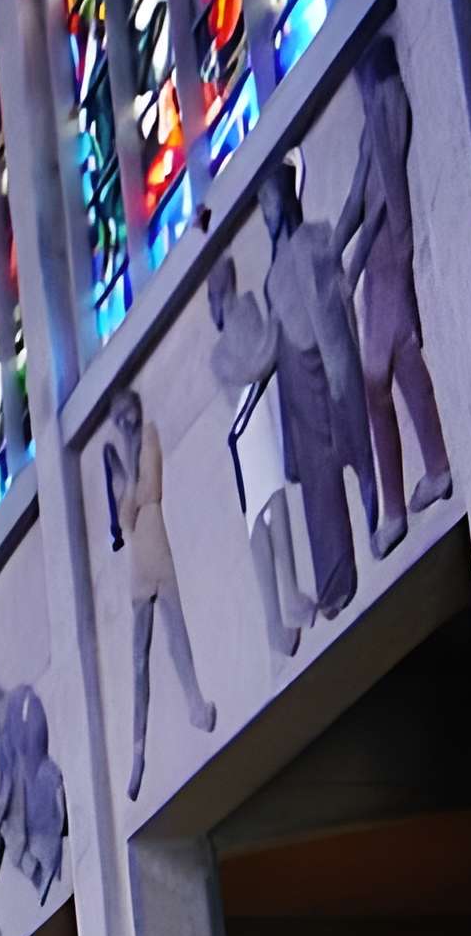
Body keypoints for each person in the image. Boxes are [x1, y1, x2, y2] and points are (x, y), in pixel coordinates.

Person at [338, 35, 452, 552]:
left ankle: (392, 510)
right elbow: (358, 195)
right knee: (405, 368)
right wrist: (336, 251)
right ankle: (436, 467)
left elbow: (384, 196)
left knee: (375, 385)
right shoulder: (372, 117)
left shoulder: (387, 101)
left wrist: (355, 263)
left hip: (386, 258)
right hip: (381, 259)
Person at [256, 162, 374, 620]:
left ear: (284, 201)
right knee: (317, 491)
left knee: (352, 452)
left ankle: (372, 513)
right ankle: (335, 579)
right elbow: (275, 345)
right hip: (297, 394)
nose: (267, 214)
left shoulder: (316, 239)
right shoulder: (271, 279)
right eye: (262, 207)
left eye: (269, 203)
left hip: (327, 373)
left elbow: (335, 304)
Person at [102, 388, 215, 799]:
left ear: (135, 410)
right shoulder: (120, 460)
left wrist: (132, 488)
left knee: (176, 633)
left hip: (157, 546)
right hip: (139, 565)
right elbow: (124, 517)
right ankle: (137, 752)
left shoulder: (148, 435)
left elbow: (150, 493)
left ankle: (195, 704)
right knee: (138, 661)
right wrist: (130, 483)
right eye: (118, 418)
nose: (125, 422)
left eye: (126, 413)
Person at [209, 254, 315, 659]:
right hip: (245, 434)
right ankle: (274, 619)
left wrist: (267, 324)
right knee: (260, 519)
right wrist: (273, 326)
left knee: (276, 505)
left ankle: (289, 594)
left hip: (260, 425)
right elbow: (254, 365)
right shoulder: (219, 354)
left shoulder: (248, 311)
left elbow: (261, 359)